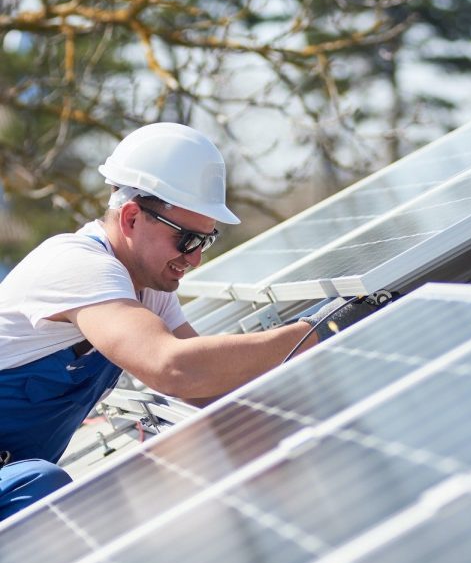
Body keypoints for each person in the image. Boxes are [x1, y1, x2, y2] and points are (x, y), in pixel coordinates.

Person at [0, 122, 389, 520]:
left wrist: (321, 415)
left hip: (13, 473)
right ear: (132, 218)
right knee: (43, 493)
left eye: (206, 240)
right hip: (19, 480)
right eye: (186, 239)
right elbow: (173, 367)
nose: (195, 258)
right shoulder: (78, 266)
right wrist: (316, 332)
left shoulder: (147, 289)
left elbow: (207, 385)